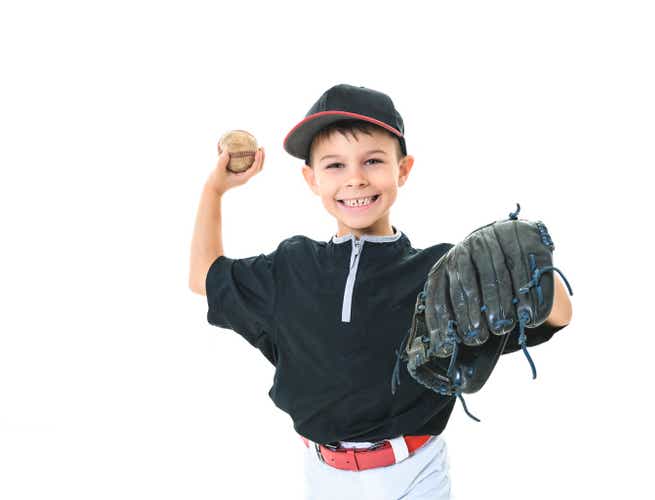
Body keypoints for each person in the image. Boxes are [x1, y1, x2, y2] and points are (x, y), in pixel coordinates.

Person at [189, 83, 573, 499]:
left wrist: (529, 264)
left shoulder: (439, 271)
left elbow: (557, 315)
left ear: (402, 170)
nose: (355, 178)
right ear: (311, 178)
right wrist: (214, 190)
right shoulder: (290, 268)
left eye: (373, 161)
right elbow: (203, 278)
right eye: (334, 165)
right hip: (324, 477)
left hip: (414, 474)